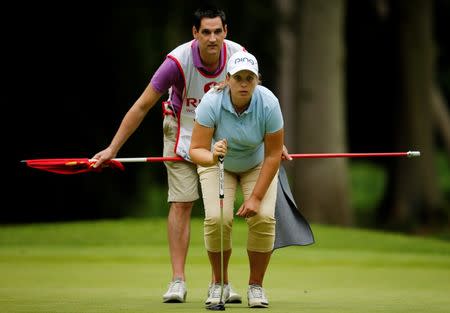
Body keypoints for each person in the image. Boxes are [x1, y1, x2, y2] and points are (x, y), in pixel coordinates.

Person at [91, 6, 244, 304]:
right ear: (195, 33)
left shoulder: (238, 57)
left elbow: (258, 102)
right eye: (206, 32)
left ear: (226, 32)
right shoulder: (177, 61)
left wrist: (274, 141)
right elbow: (142, 105)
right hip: (181, 132)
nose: (212, 38)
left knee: (218, 210)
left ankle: (220, 283)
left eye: (217, 31)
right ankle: (178, 281)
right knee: (182, 203)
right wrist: (113, 149)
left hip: (219, 137)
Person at [189, 51, 284, 308]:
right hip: (217, 163)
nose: (244, 83)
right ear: (228, 79)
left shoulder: (269, 103)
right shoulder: (211, 102)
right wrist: (212, 156)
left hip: (257, 164)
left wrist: (255, 198)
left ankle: (256, 286)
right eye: (238, 78)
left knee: (263, 217)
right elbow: (195, 150)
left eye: (249, 78)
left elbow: (274, 154)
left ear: (257, 80)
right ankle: (220, 283)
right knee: (218, 219)